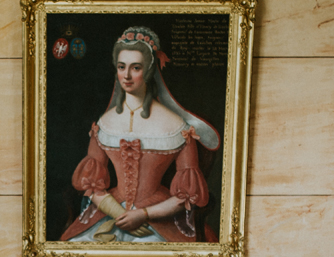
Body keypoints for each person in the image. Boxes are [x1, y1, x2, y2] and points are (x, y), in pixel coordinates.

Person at [61, 26, 220, 243]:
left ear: (149, 70)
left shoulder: (177, 127)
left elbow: (185, 197)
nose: (126, 75)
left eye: (135, 68)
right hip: (110, 210)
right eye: (121, 67)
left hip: (157, 215)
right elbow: (93, 186)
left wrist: (142, 214)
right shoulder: (104, 123)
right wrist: (119, 213)